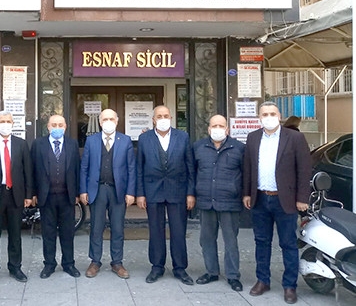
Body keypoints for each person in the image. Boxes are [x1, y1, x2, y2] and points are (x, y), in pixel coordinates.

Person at [243, 101, 311, 304]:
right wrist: (247, 193)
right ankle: (262, 280)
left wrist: (302, 198)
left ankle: (290, 286)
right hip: (260, 198)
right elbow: (248, 167)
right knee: (261, 242)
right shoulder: (253, 137)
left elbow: (304, 169)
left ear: (279, 116)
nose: (269, 117)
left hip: (286, 200)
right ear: (259, 117)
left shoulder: (295, 137)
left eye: (272, 113)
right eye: (265, 114)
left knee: (288, 243)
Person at [136, 105, 195, 285]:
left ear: (171, 118)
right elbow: (139, 168)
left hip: (178, 190)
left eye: (166, 116)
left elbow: (190, 167)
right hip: (152, 190)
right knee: (155, 230)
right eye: (159, 116)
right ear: (153, 119)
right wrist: (140, 194)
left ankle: (180, 268)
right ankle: (157, 266)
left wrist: (190, 193)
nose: (163, 119)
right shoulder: (144, 138)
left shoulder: (183, 137)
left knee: (178, 231)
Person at [80, 109, 136, 279]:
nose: (108, 122)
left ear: (117, 121)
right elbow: (84, 167)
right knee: (96, 227)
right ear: (100, 122)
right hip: (97, 189)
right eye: (105, 119)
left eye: (112, 119)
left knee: (118, 228)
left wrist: (131, 192)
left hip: (118, 190)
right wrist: (83, 190)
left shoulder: (125, 140)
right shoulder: (91, 140)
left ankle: (117, 262)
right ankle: (95, 261)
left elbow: (131, 168)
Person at [192, 114, 245, 291]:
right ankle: (211, 271)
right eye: (214, 126)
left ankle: (233, 275)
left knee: (231, 241)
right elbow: (192, 173)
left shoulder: (238, 148)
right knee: (206, 239)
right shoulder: (198, 147)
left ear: (227, 129)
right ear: (208, 129)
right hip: (206, 200)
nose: (217, 129)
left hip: (229, 201)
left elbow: (246, 174)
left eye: (221, 126)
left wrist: (244, 194)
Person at [0, 110, 34, 285]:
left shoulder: (21, 144)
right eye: (2, 121)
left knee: (15, 234)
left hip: (15, 194)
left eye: (9, 121)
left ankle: (15, 267)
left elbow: (28, 171)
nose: (6, 124)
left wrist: (28, 194)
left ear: (13, 124)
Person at [31, 115, 81, 279]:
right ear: (48, 127)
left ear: (65, 127)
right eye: (54, 125)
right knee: (48, 232)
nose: (57, 127)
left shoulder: (72, 144)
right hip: (46, 196)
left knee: (68, 232)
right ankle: (49, 264)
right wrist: (33, 193)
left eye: (60, 125)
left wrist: (77, 193)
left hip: (67, 196)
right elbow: (32, 170)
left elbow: (77, 169)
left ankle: (69, 264)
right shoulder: (38, 144)